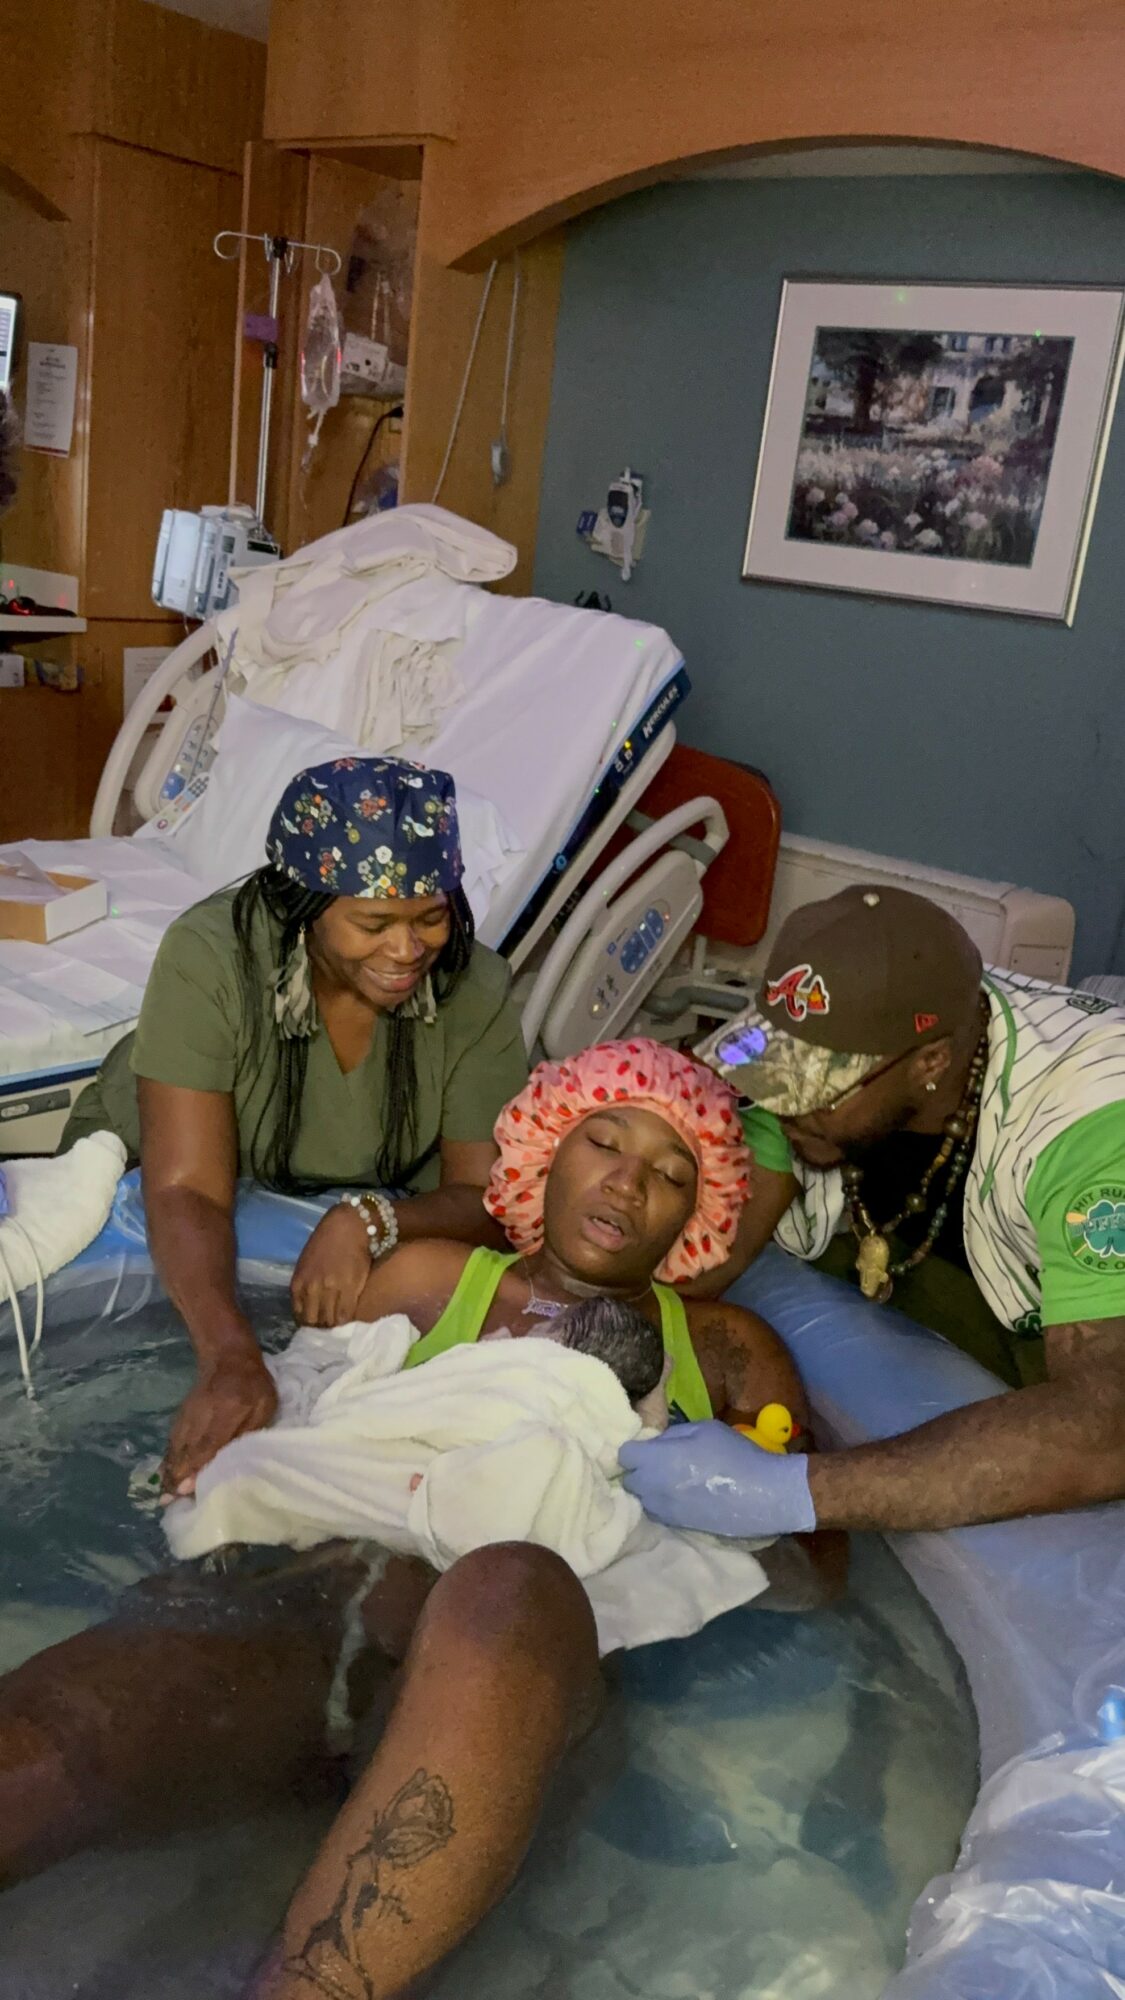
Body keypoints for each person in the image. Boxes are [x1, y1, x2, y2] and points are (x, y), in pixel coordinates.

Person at [0, 1042, 832, 2000]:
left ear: (699, 1212)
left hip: (495, 1687)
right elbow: (295, 1413)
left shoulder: (724, 1352)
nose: (627, 1182)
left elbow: (811, 1573)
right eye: (602, 1142)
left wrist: (720, 1501)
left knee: (509, 1581)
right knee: (48, 1751)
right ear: (544, 1153)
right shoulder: (432, 1280)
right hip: (300, 1625)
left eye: (671, 1174)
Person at [62, 755, 529, 1498]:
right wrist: (228, 1356)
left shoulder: (473, 988)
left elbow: (490, 1199)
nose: (407, 950)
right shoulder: (211, 956)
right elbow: (186, 1190)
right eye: (373, 923)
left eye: (431, 916)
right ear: (301, 908)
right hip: (159, 1176)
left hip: (356, 1195)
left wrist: (367, 1220)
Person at [621, 885, 1125, 1542]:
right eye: (773, 1072)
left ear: (930, 1062)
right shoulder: (849, 1038)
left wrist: (789, 1490)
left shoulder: (1090, 1128)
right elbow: (729, 1242)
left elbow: (1106, 1423)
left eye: (814, 1089)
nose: (780, 1105)